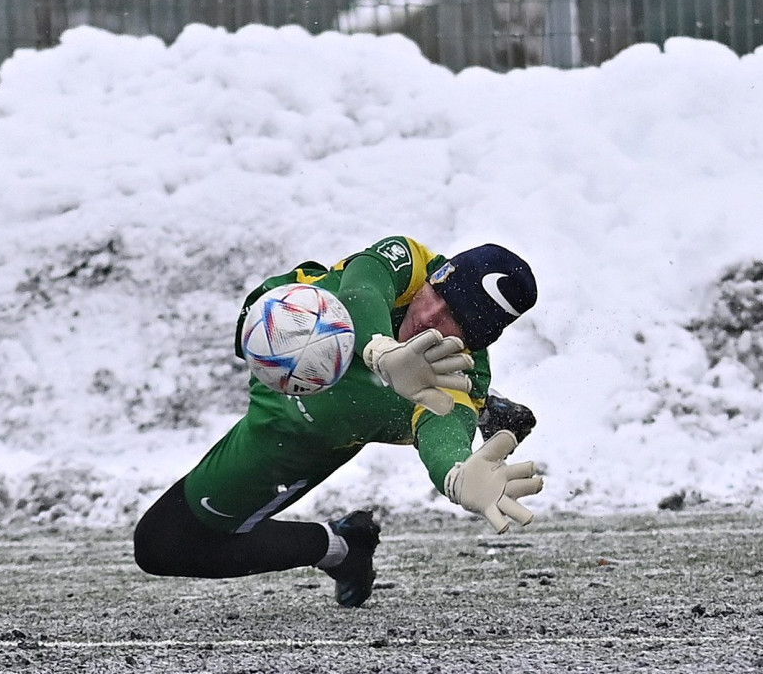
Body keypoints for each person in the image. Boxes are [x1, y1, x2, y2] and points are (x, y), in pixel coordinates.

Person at [134, 235, 544, 608]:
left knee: (162, 546)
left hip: (296, 432)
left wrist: (456, 474)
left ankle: (342, 546)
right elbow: (365, 284)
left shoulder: (457, 374)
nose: (429, 313)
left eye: (454, 315)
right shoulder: (411, 262)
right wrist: (380, 351)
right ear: (434, 276)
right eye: (437, 292)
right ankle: (488, 408)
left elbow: (445, 433)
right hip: (281, 330)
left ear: (473, 339)